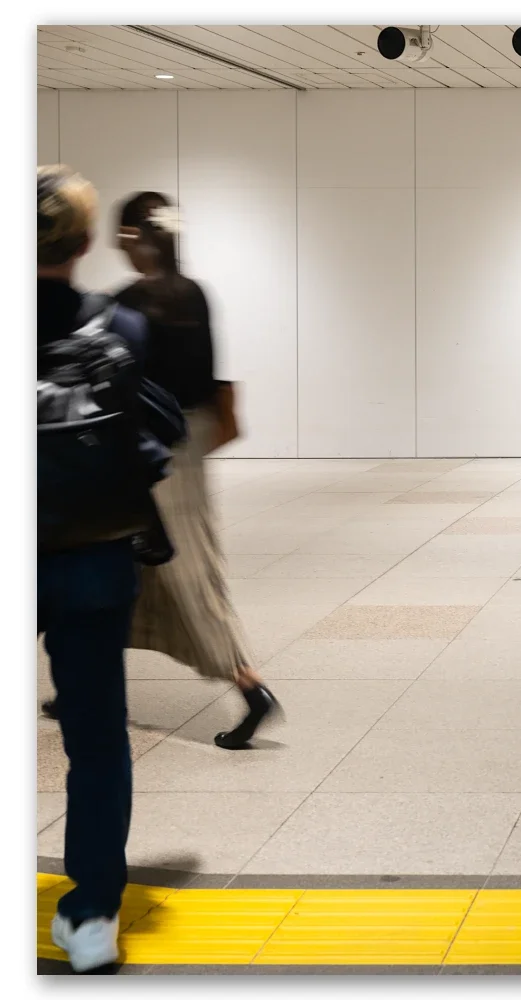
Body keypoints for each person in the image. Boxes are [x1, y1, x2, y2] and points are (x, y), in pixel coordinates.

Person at [38, 165, 163, 972]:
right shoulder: (121, 325)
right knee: (95, 738)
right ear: (87, 243)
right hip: (91, 557)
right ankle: (90, 919)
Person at [114, 192, 278, 748]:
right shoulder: (196, 295)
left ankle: (249, 684)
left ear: (137, 237)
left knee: (182, 570)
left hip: (150, 451)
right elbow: (210, 377)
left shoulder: (129, 302)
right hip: (191, 439)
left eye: (123, 235)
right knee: (146, 566)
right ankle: (82, 682)